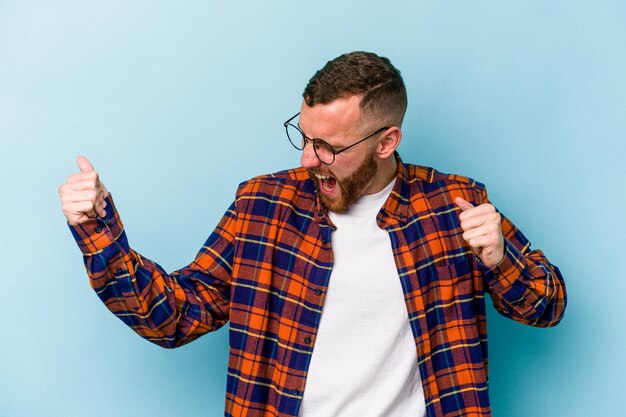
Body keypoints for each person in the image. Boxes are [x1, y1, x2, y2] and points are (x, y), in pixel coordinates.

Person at [59, 51, 567, 417]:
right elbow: (173, 316)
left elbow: (548, 305)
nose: (307, 159)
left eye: (328, 146)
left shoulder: (453, 204)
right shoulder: (262, 204)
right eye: (304, 137)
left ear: (387, 140)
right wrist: (97, 228)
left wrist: (501, 260)